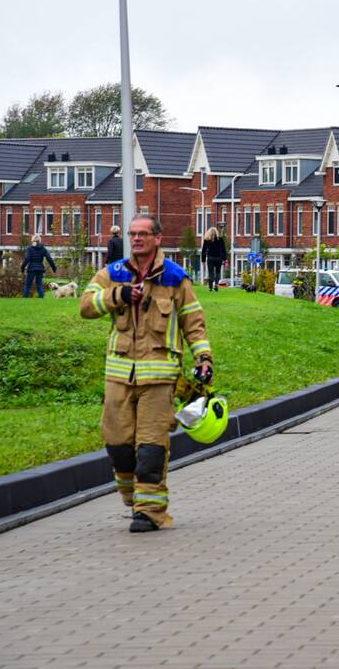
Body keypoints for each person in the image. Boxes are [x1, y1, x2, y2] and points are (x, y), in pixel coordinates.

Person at [80, 215, 213, 533]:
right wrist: (119, 296)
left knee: (151, 447)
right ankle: (132, 495)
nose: (137, 239)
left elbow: (194, 323)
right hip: (119, 378)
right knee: (118, 444)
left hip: (159, 379)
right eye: (133, 234)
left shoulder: (175, 278)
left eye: (143, 234)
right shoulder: (112, 274)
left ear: (157, 238)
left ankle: (150, 512)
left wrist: (204, 358)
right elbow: (85, 306)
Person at [20, 234, 57, 298]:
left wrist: (22, 268)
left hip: (31, 269)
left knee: (28, 285)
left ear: (32, 240)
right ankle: (41, 298)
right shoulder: (43, 249)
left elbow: (27, 259)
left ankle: (25, 298)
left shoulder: (29, 249)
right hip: (40, 269)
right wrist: (54, 268)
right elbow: (49, 259)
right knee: (39, 285)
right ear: (39, 240)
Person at [200, 226, 226, 291]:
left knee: (210, 272)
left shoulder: (207, 240)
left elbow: (204, 250)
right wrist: (224, 259)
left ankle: (210, 287)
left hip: (210, 258)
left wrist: (203, 260)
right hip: (218, 258)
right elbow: (223, 249)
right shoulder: (220, 239)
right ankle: (216, 284)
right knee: (218, 272)